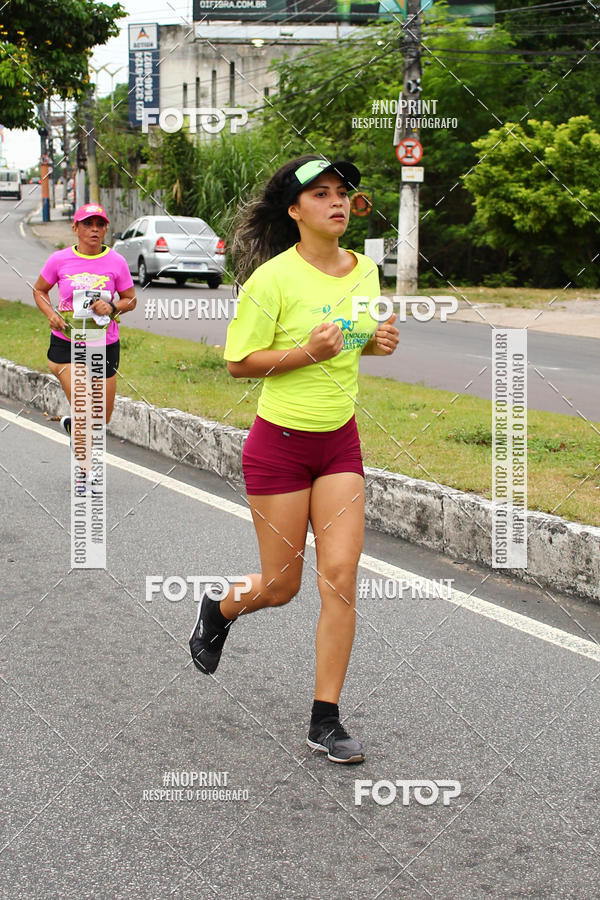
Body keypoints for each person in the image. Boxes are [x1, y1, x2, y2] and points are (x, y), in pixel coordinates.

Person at [189, 156, 399, 764]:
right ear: (295, 210)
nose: (337, 202)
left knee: (341, 578)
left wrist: (379, 344)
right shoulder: (271, 280)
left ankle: (325, 719)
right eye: (321, 194)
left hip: (339, 442)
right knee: (282, 585)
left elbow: (356, 344)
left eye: (343, 193)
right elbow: (238, 363)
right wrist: (304, 352)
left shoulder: (365, 272)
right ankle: (219, 607)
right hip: (278, 447)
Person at [32, 203, 137, 473]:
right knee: (83, 399)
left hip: (104, 344)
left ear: (105, 230)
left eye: (99, 224)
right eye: (88, 224)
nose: (94, 229)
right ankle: (85, 468)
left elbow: (131, 299)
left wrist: (113, 307)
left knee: (101, 416)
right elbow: (40, 291)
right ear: (75, 227)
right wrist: (50, 314)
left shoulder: (116, 261)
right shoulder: (59, 259)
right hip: (67, 344)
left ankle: (72, 426)